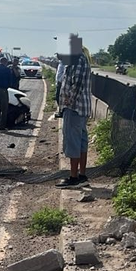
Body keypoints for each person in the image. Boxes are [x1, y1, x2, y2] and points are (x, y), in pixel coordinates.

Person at [55, 34, 91, 187]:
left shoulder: (77, 60)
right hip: (80, 108)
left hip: (74, 108)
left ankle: (74, 177)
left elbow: (76, 84)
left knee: (73, 142)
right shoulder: (79, 59)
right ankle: (81, 175)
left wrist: (68, 101)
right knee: (81, 142)